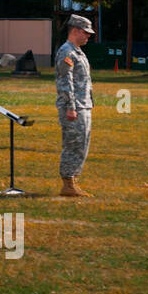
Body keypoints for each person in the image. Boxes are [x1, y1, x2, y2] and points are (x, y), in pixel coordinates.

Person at [55, 14, 96, 197]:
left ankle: (72, 181)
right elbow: (65, 81)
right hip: (73, 107)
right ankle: (67, 184)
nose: (88, 36)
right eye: (86, 33)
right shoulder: (67, 52)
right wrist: (70, 106)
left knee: (81, 144)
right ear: (76, 31)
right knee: (72, 144)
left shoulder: (77, 51)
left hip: (83, 105)